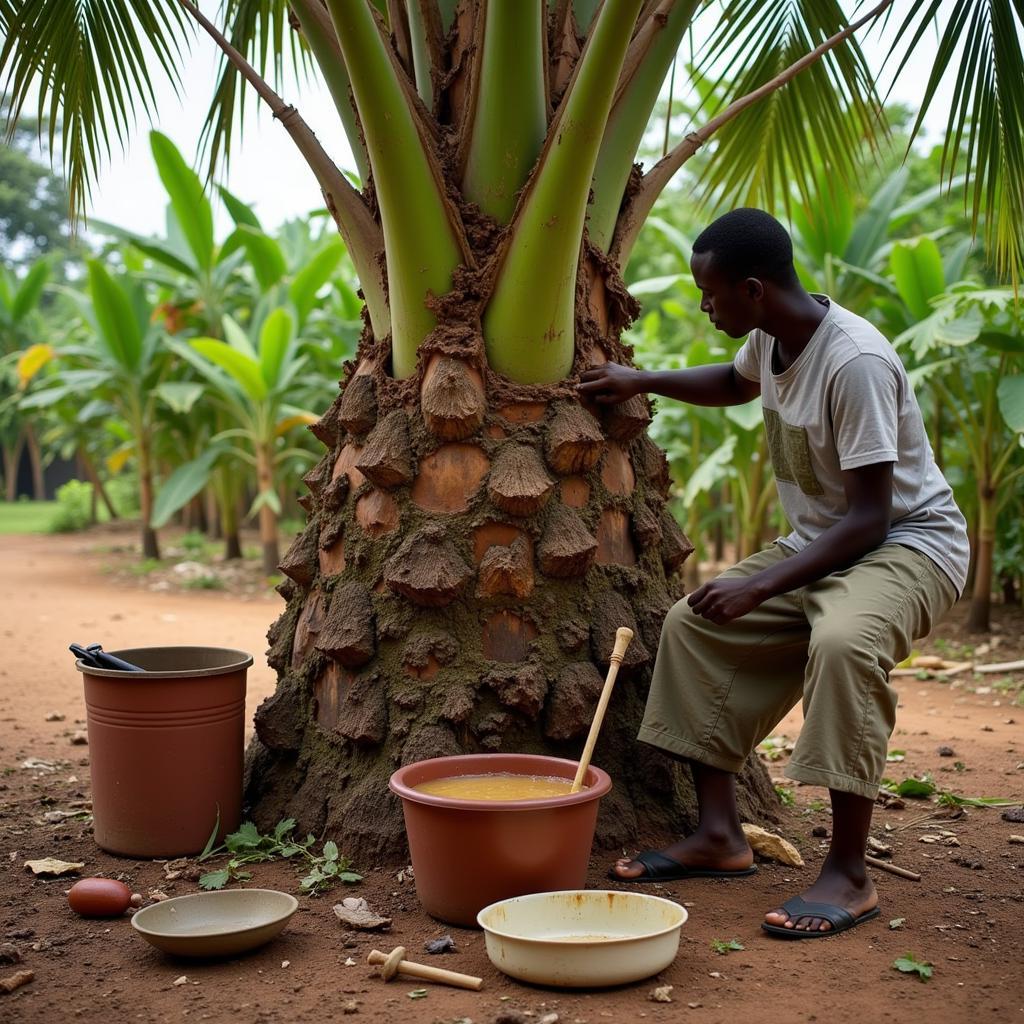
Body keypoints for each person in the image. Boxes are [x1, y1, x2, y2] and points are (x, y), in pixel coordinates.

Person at [577, 208, 968, 939]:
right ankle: (719, 837)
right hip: (827, 541)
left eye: (710, 293)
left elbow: (871, 520)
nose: (704, 305)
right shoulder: (770, 334)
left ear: (753, 289)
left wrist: (759, 583)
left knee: (846, 642)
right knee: (692, 623)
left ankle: (850, 875)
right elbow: (734, 381)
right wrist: (643, 379)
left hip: (910, 546)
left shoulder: (854, 363)